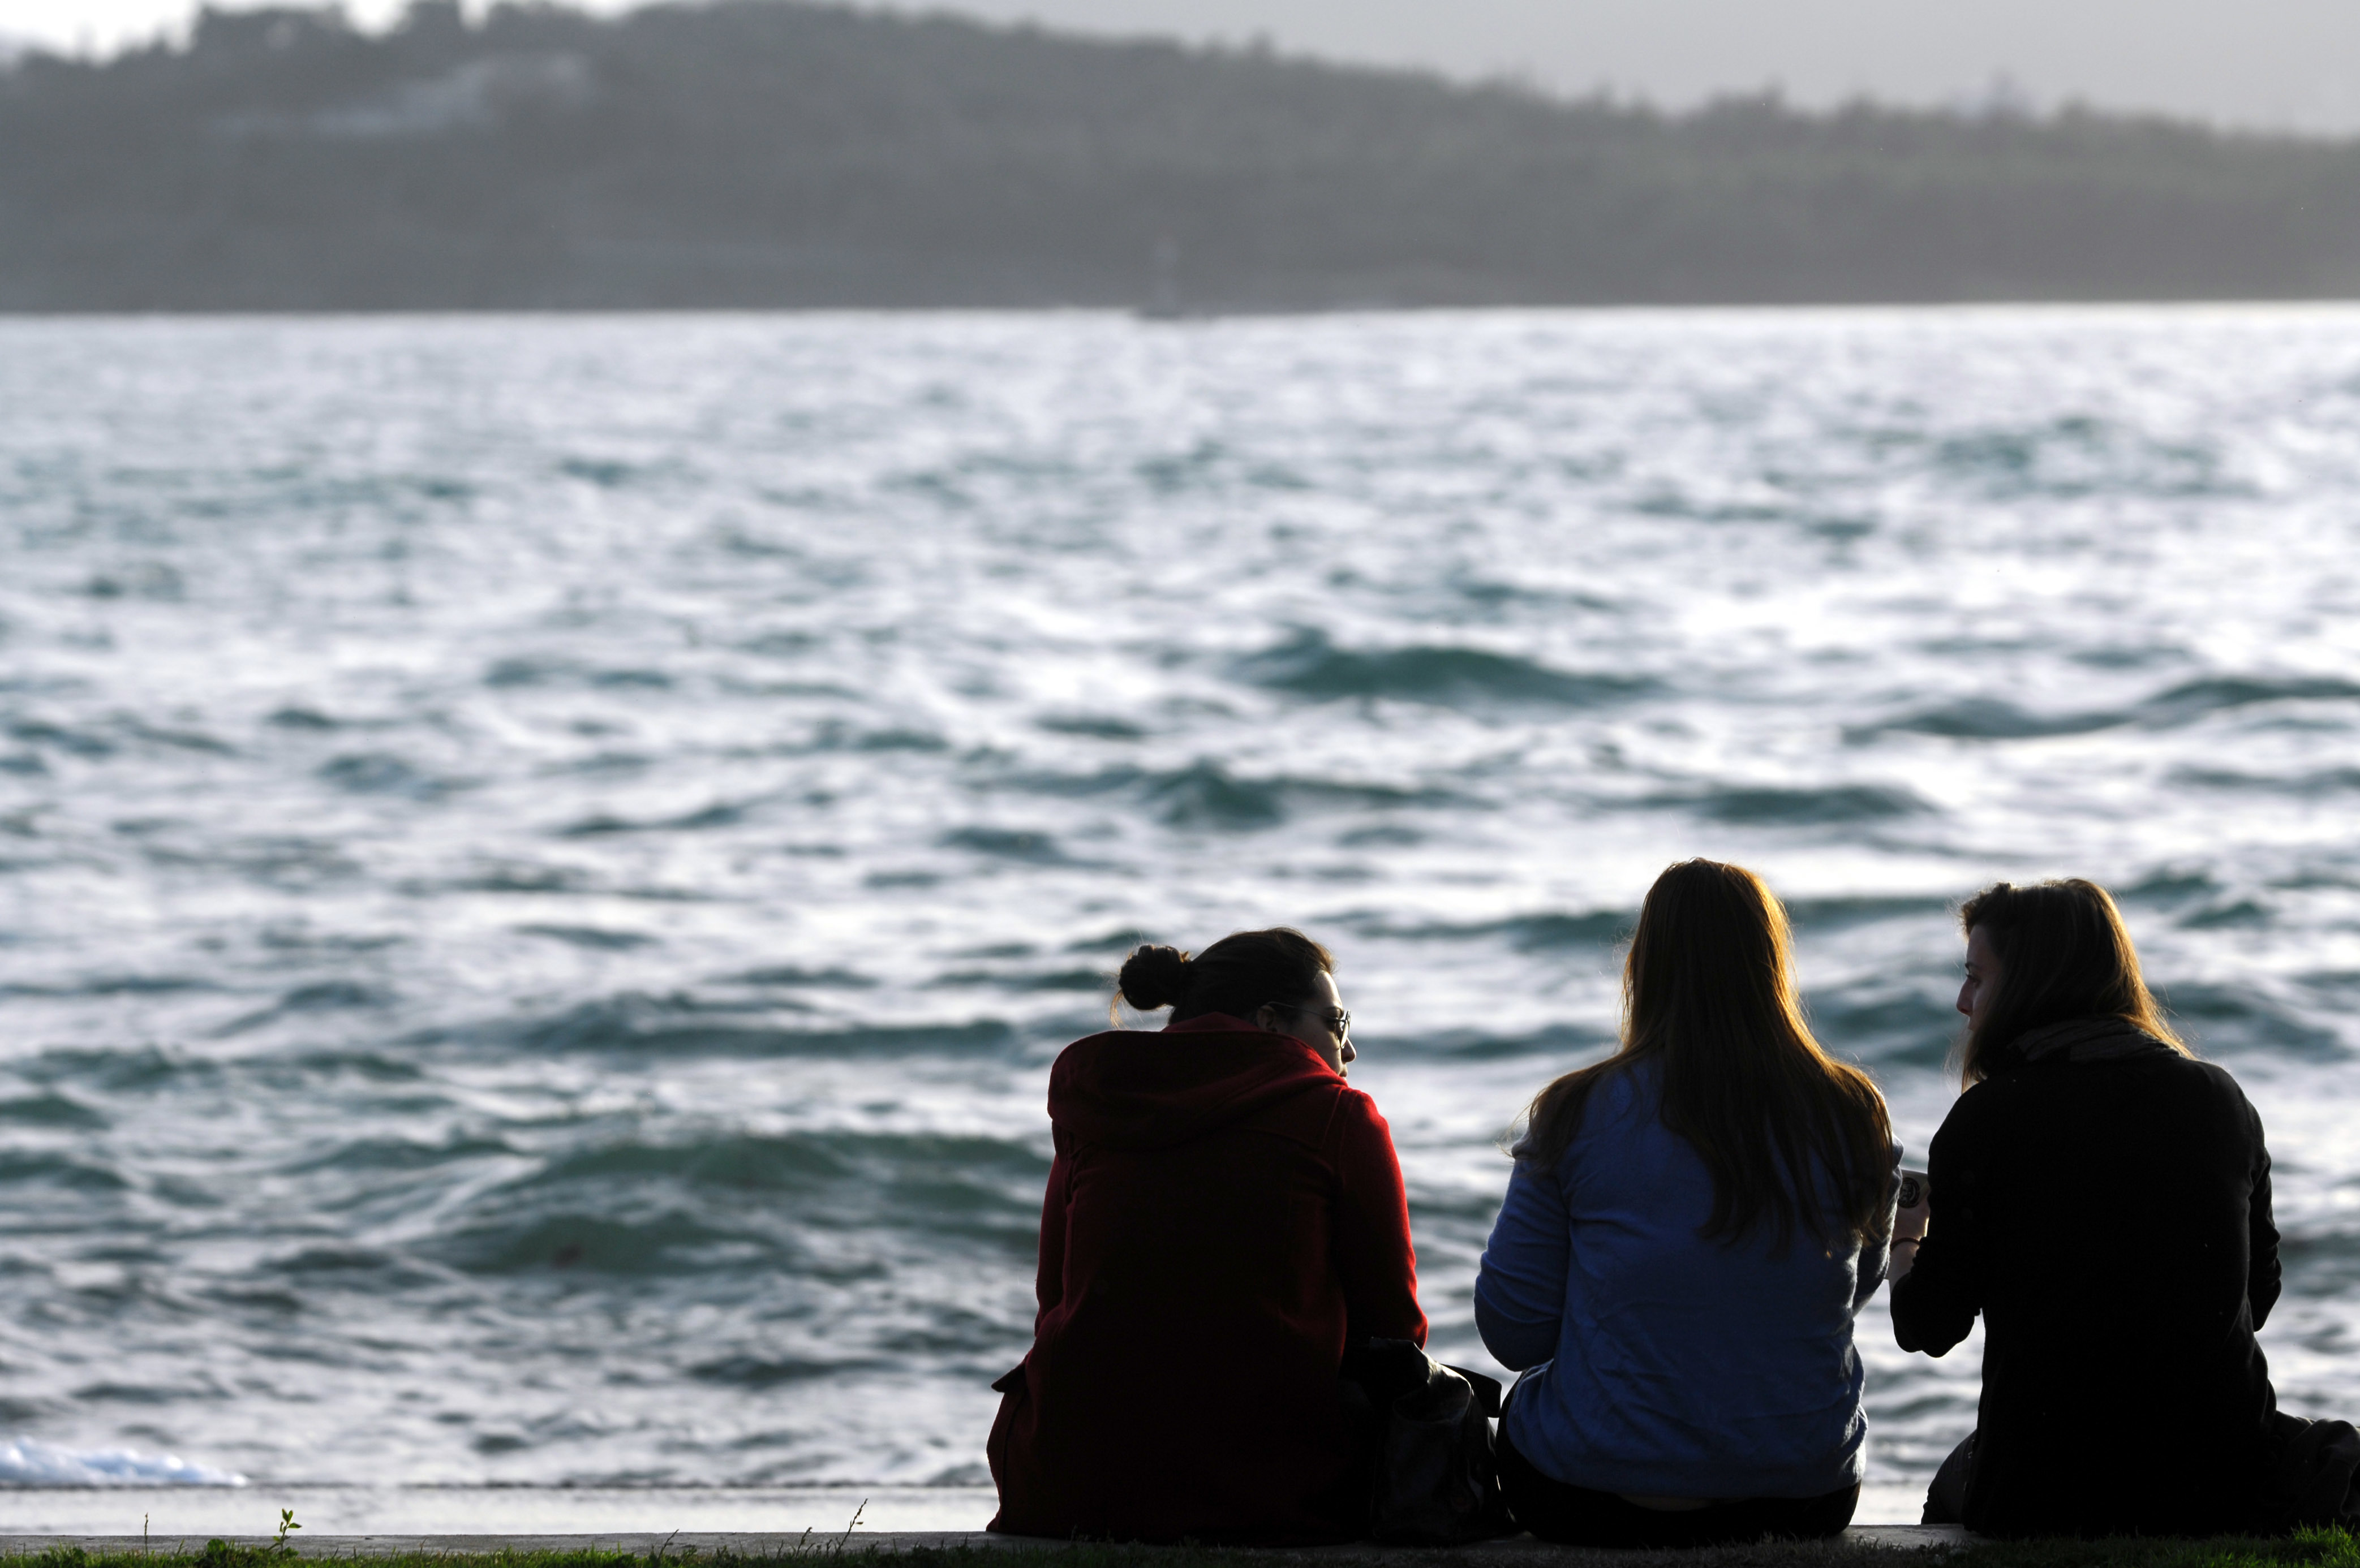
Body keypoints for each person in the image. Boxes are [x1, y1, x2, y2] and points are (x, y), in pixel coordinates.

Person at [1892, 878, 2360, 1537]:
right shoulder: (2218, 1100)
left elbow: (1929, 1327)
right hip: (2219, 1483)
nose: (1963, 1001)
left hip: (2043, 1493)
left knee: (1953, 1483)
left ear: (2029, 984)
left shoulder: (1988, 1119)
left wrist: (1905, 1242)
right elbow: (2259, 1295)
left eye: (1976, 977)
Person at [1474, 859, 1898, 1548]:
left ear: (1644, 967)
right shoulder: (1853, 1113)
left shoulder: (1577, 1110)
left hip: (1597, 1492)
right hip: (1804, 1492)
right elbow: (1846, 1290)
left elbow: (1513, 1332)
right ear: (1772, 967)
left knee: (1520, 1408)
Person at [985, 927, 1426, 1543]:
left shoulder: (1098, 1102)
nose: (1348, 1051)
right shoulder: (1337, 1116)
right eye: (1337, 1021)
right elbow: (1394, 1333)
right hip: (1271, 1490)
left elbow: (1054, 1296)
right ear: (1271, 1021)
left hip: (1064, 1481)